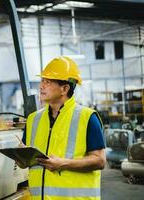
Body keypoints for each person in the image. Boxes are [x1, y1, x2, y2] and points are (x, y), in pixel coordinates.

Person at [23, 56, 106, 200]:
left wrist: (63, 163)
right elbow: (26, 155)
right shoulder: (33, 119)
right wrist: (22, 158)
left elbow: (99, 160)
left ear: (64, 88)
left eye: (48, 82)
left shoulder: (87, 118)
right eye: (42, 80)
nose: (41, 86)